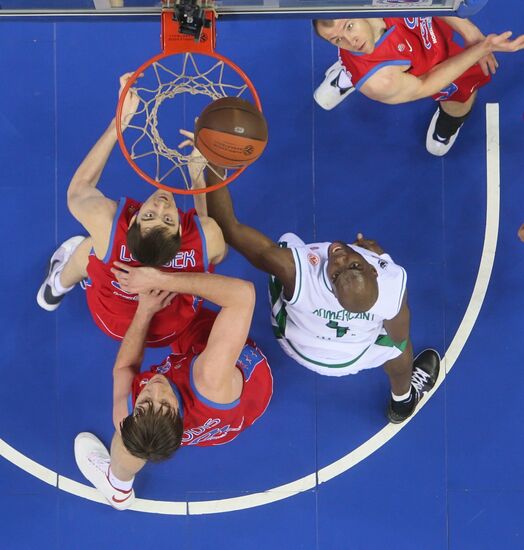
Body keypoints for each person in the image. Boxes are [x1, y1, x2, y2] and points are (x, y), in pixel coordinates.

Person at [202, 165, 440, 424]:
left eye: (339, 272)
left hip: (295, 344)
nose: (340, 259)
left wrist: (215, 163)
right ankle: (403, 402)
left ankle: (403, 401)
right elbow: (399, 336)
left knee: (284, 244)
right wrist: (382, 256)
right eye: (351, 265)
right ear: (373, 269)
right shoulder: (392, 281)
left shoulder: (297, 268)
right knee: (399, 349)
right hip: (353, 355)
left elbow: (230, 228)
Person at [36, 73, 225, 347]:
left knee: (91, 247)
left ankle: (55, 287)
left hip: (110, 320)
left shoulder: (108, 225)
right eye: (167, 218)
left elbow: (78, 190)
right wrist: (197, 175)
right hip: (171, 331)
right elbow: (216, 249)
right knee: (208, 248)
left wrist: (120, 122)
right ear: (183, 230)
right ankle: (55, 288)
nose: (161, 205)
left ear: (132, 220)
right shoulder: (206, 234)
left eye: (150, 216)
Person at [74, 268, 273, 510]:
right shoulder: (209, 376)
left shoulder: (130, 416)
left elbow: (124, 368)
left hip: (208, 404)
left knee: (132, 440)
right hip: (251, 383)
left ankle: (118, 485)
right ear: (178, 417)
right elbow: (243, 295)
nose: (156, 389)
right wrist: (159, 279)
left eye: (146, 402)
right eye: (165, 404)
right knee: (174, 295)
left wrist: (144, 311)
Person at [313, 16, 524, 155]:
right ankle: (352, 74)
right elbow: (425, 85)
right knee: (458, 97)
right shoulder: (380, 82)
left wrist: (468, 29)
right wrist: (482, 47)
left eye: (350, 27)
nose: (350, 41)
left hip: (428, 28)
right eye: (337, 40)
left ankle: (348, 74)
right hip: (411, 70)